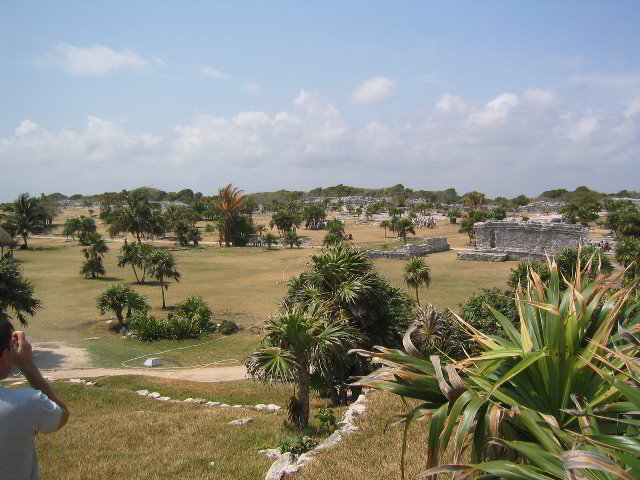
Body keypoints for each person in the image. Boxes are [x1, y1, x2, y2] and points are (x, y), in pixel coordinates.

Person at [0, 318, 69, 479]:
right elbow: (62, 414)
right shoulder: (26, 403)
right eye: (12, 346)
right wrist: (27, 365)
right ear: (3, 357)